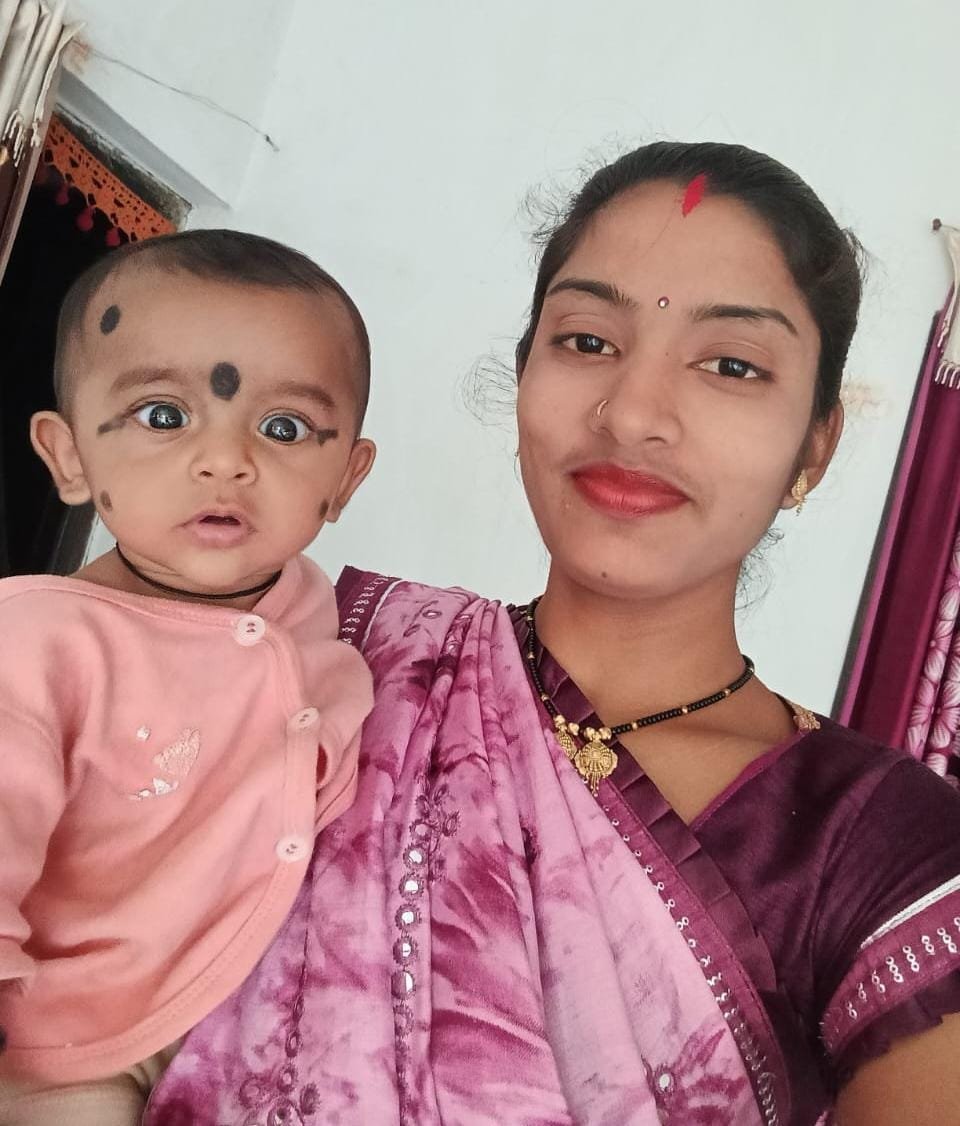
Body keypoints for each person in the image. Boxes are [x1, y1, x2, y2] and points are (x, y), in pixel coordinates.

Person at [148, 144, 960, 1126]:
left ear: (814, 446)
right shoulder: (332, 660)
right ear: (525, 371)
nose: (633, 414)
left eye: (731, 364)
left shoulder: (882, 848)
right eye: (587, 341)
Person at [0, 230, 377, 1124]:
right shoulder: (38, 644)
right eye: (164, 416)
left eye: (284, 428)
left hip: (256, 1030)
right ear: (69, 457)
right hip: (70, 1050)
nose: (225, 460)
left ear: (345, 479)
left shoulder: (318, 614)